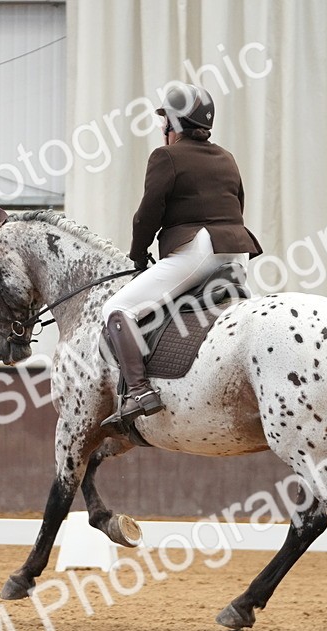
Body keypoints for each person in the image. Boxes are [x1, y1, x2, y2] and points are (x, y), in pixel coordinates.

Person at [101, 82, 262, 426]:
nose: (163, 128)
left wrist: (139, 256)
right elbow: (239, 203)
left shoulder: (166, 156)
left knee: (116, 308)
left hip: (199, 248)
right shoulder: (226, 157)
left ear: (174, 123)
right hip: (236, 251)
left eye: (165, 121)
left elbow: (147, 213)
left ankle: (139, 391)